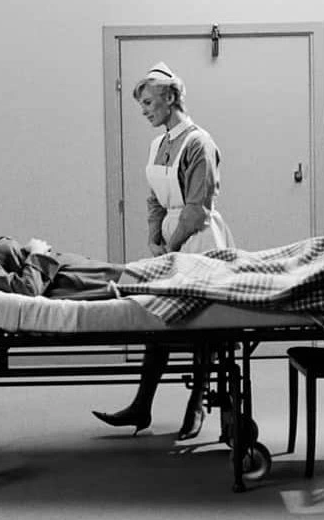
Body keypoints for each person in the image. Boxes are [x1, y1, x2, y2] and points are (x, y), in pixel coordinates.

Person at [91, 62, 235, 440]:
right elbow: (154, 198)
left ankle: (197, 404)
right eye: (141, 104)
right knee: (157, 319)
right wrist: (154, 237)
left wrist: (172, 245)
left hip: (199, 241)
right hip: (169, 243)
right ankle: (142, 404)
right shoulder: (158, 144)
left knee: (203, 326)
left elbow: (197, 209)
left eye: (148, 102)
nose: (144, 111)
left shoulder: (199, 143)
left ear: (170, 98)